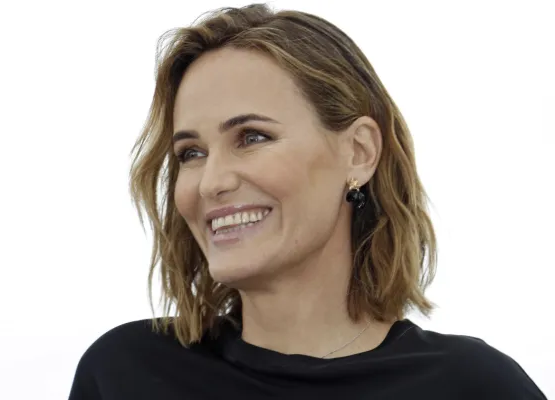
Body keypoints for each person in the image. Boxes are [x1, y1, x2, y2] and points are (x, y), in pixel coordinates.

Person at [68, 4, 547, 399]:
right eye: (191, 153)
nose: (211, 182)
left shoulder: (475, 386)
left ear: (359, 152)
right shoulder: (124, 373)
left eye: (252, 137)